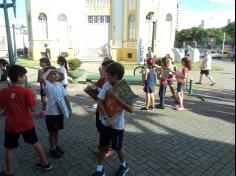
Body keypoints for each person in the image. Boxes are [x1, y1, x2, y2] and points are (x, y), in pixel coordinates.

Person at [0, 65, 52, 176]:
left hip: (11, 126)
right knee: (35, 142)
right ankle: (45, 163)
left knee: (9, 148)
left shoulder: (3, 92)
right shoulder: (27, 91)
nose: (25, 77)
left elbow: (1, 108)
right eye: (24, 76)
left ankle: (9, 171)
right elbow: (33, 109)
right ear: (19, 77)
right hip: (26, 124)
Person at [93, 62, 133, 176]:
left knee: (117, 148)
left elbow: (131, 109)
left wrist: (116, 98)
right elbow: (99, 102)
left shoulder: (125, 88)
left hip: (117, 126)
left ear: (115, 76)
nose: (106, 77)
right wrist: (106, 117)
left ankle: (124, 165)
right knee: (103, 146)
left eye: (109, 75)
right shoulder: (106, 85)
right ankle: (99, 169)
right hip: (105, 123)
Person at [41, 66, 72, 159]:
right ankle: (52, 148)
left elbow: (66, 97)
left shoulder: (60, 84)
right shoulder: (47, 84)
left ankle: (56, 145)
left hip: (60, 112)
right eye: (53, 73)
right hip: (51, 113)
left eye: (56, 73)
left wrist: (70, 110)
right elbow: (42, 78)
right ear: (48, 75)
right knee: (52, 132)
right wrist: (50, 69)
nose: (56, 75)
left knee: (57, 131)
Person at [94, 59, 115, 158]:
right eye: (102, 69)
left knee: (108, 130)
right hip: (100, 110)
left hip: (110, 112)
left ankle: (109, 148)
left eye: (104, 69)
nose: (102, 71)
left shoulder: (115, 83)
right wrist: (92, 91)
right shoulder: (101, 81)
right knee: (100, 128)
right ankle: (102, 145)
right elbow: (97, 97)